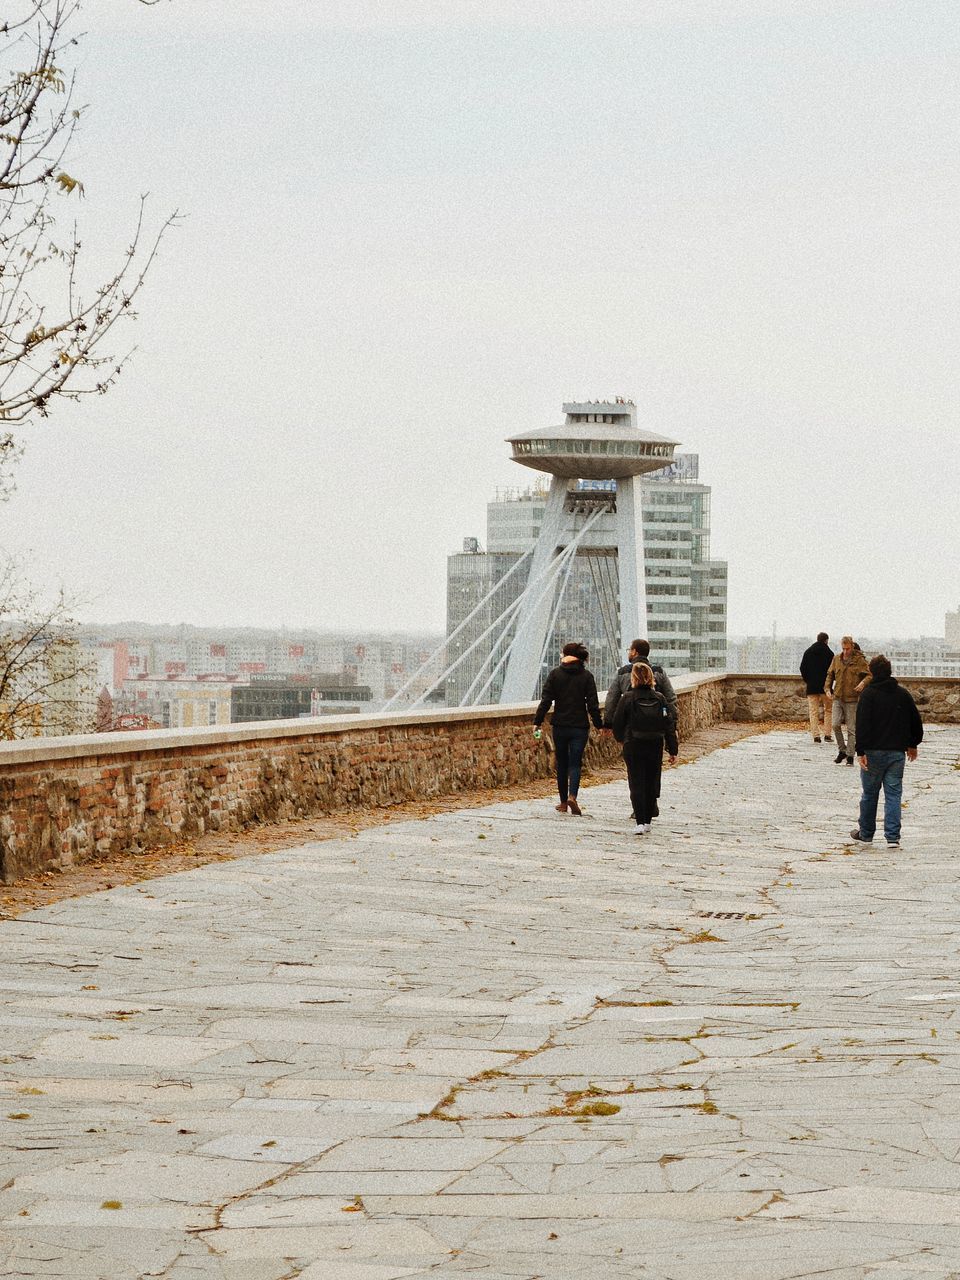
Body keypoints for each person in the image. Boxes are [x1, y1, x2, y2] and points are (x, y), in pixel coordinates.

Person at [849, 654, 923, 850]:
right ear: (890, 671)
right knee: (893, 794)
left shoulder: (868, 695)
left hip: (872, 752)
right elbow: (915, 721)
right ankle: (892, 837)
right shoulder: (902, 694)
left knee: (869, 794)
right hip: (896, 753)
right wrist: (913, 744)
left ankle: (866, 833)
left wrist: (860, 750)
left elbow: (862, 725)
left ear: (872, 672)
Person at [533, 642, 603, 816]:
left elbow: (546, 701)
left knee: (562, 764)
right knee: (575, 763)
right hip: (579, 726)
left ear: (565, 655)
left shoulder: (555, 675)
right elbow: (593, 704)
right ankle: (573, 795)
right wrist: (598, 724)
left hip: (560, 726)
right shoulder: (587, 676)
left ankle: (564, 802)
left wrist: (538, 721)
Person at [612, 662, 679, 835]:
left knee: (636, 782)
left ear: (633, 678)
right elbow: (668, 724)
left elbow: (618, 723)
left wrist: (622, 739)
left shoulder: (627, 698)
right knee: (651, 781)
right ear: (651, 678)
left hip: (633, 743)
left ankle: (640, 821)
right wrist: (673, 750)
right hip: (655, 744)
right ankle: (648, 820)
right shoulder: (660, 698)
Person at [824, 635, 871, 764]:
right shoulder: (836, 659)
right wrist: (827, 689)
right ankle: (842, 750)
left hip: (852, 698)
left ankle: (850, 755)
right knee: (835, 725)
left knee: (851, 728)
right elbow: (830, 675)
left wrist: (862, 684)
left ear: (852, 647)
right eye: (843, 649)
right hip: (838, 697)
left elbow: (868, 675)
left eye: (848, 649)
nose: (845, 651)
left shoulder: (859, 661)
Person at [799, 631, 834, 743]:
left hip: (812, 686)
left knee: (813, 711)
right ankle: (828, 734)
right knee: (828, 710)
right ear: (826, 640)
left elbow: (802, 668)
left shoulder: (808, 652)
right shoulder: (830, 654)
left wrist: (808, 680)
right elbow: (833, 671)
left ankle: (816, 735)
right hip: (825, 687)